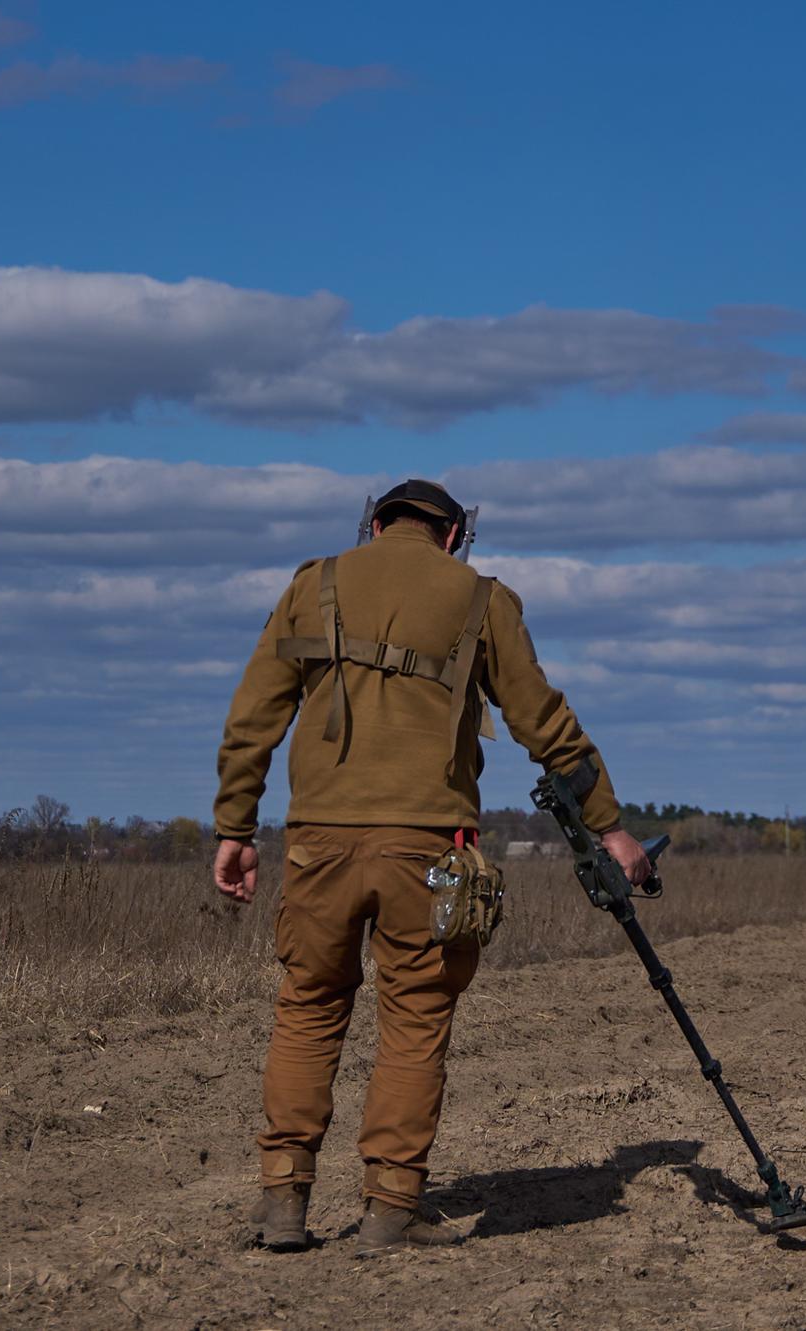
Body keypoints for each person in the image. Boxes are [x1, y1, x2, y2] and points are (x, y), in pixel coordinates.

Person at [212, 479, 650, 1255]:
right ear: (454, 536)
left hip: (320, 841)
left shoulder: (311, 584)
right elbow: (542, 719)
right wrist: (608, 825)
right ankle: (389, 1208)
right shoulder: (483, 599)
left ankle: (284, 1198)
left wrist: (234, 826)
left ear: (374, 525)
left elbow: (255, 712)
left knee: (309, 1004)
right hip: (431, 847)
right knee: (415, 1018)